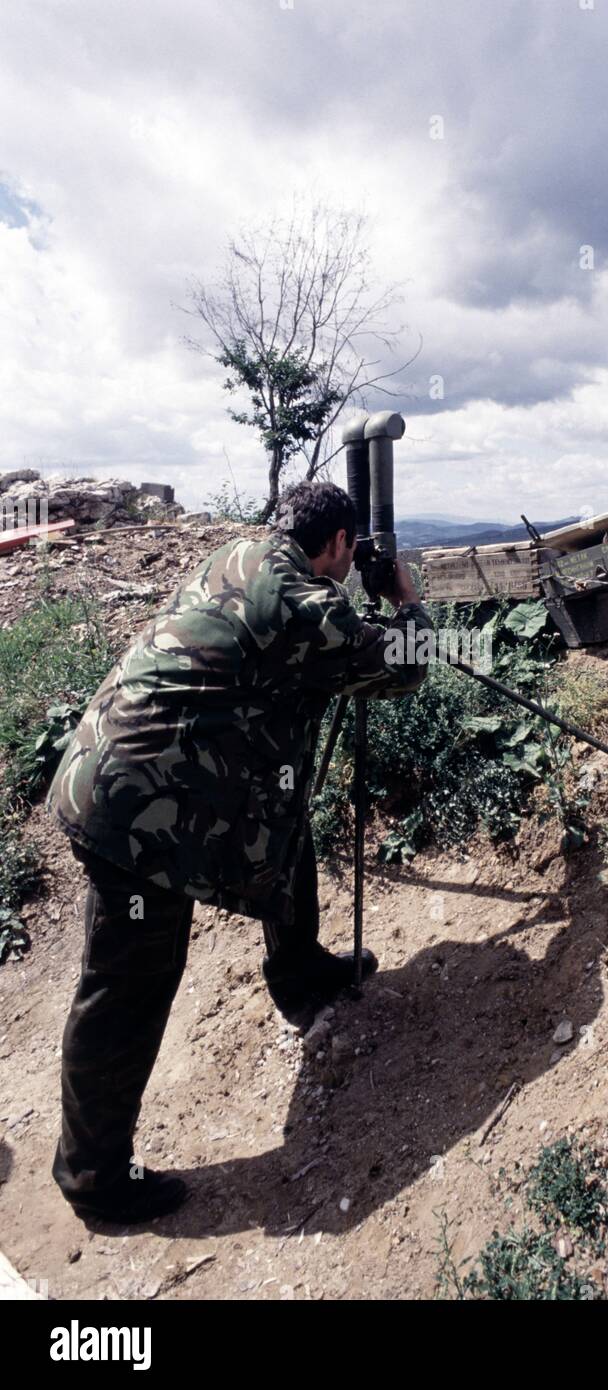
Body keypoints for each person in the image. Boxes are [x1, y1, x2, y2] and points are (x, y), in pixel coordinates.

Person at [46, 479, 433, 1224]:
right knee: (128, 980)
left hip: (118, 769)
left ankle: (300, 970)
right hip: (138, 813)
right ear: (339, 544)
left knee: (287, 825)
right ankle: (93, 1174)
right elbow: (406, 664)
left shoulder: (237, 554)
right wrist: (405, 593)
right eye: (352, 554)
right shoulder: (305, 601)